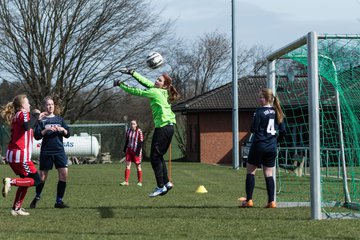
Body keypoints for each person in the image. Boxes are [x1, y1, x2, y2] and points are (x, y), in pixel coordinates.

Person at [114, 68, 180, 197]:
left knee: (154, 157)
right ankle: (166, 183)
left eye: (159, 80)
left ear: (165, 85)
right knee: (159, 156)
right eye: (157, 78)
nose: (156, 81)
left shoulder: (155, 92)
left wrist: (120, 84)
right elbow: (145, 82)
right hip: (169, 127)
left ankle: (160, 186)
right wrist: (132, 72)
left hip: (163, 128)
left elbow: (136, 91)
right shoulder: (162, 91)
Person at [0, 94, 46, 216]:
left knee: (26, 181)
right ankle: (10, 181)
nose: (29, 104)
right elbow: (27, 126)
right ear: (22, 105)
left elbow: (29, 125)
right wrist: (36, 114)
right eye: (27, 102)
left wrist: (37, 118)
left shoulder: (17, 115)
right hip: (21, 155)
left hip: (13, 154)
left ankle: (16, 208)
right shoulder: (23, 114)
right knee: (36, 180)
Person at [239, 88, 286, 208]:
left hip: (259, 145)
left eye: (261, 97)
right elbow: (283, 131)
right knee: (269, 173)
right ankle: (271, 201)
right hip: (271, 147)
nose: (258, 99)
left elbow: (253, 129)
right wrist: (276, 142)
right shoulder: (278, 111)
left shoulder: (259, 111)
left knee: (250, 171)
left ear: (267, 99)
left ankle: (249, 200)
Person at [29, 96, 71, 209]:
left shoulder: (59, 119)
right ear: (44, 106)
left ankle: (59, 201)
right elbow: (37, 136)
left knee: (64, 175)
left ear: (54, 106)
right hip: (46, 151)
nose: (50, 106)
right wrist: (46, 130)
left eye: (52, 104)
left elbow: (68, 134)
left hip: (59, 151)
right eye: (48, 104)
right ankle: (37, 196)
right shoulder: (41, 120)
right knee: (42, 178)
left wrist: (63, 130)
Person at [120, 119, 144, 187]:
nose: (132, 125)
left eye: (133, 124)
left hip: (136, 151)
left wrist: (137, 152)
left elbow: (141, 143)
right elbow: (127, 140)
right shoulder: (128, 130)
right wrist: (125, 149)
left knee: (138, 166)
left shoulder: (139, 131)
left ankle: (139, 182)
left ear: (136, 125)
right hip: (129, 150)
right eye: (131, 124)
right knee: (127, 165)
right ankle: (126, 181)